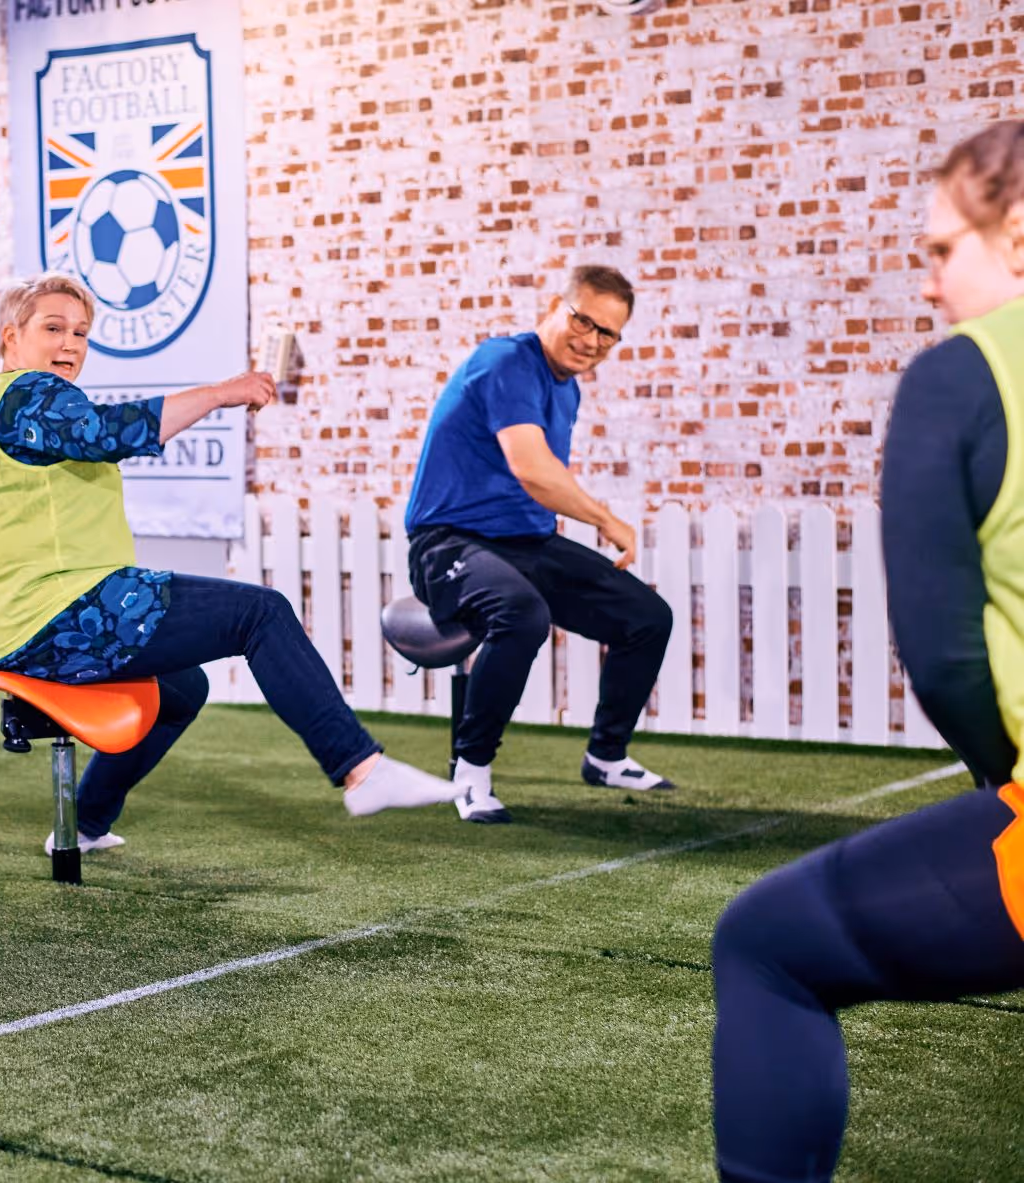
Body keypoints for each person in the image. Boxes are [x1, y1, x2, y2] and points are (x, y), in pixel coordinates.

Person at [710, 120, 1024, 1181]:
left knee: (764, 945)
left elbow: (942, 655)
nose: (928, 284)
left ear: (1015, 232)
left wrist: (1000, 780)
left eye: (940, 250)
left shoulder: (960, 376)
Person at [0, 273, 462, 851]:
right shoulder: (31, 393)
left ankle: (83, 826)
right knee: (260, 613)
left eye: (81, 333)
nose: (70, 344)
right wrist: (221, 393)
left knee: (181, 690)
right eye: (53, 328)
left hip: (24, 630)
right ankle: (360, 769)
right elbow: (107, 432)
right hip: (61, 616)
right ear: (10, 337)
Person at [401, 264, 675, 824]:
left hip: (525, 544)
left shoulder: (566, 388)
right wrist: (605, 519)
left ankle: (606, 757)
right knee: (523, 615)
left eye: (607, 334)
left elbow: (537, 485)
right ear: (553, 307)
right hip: (447, 543)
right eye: (583, 321)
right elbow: (533, 470)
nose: (591, 341)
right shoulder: (504, 361)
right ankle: (470, 773)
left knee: (647, 617)